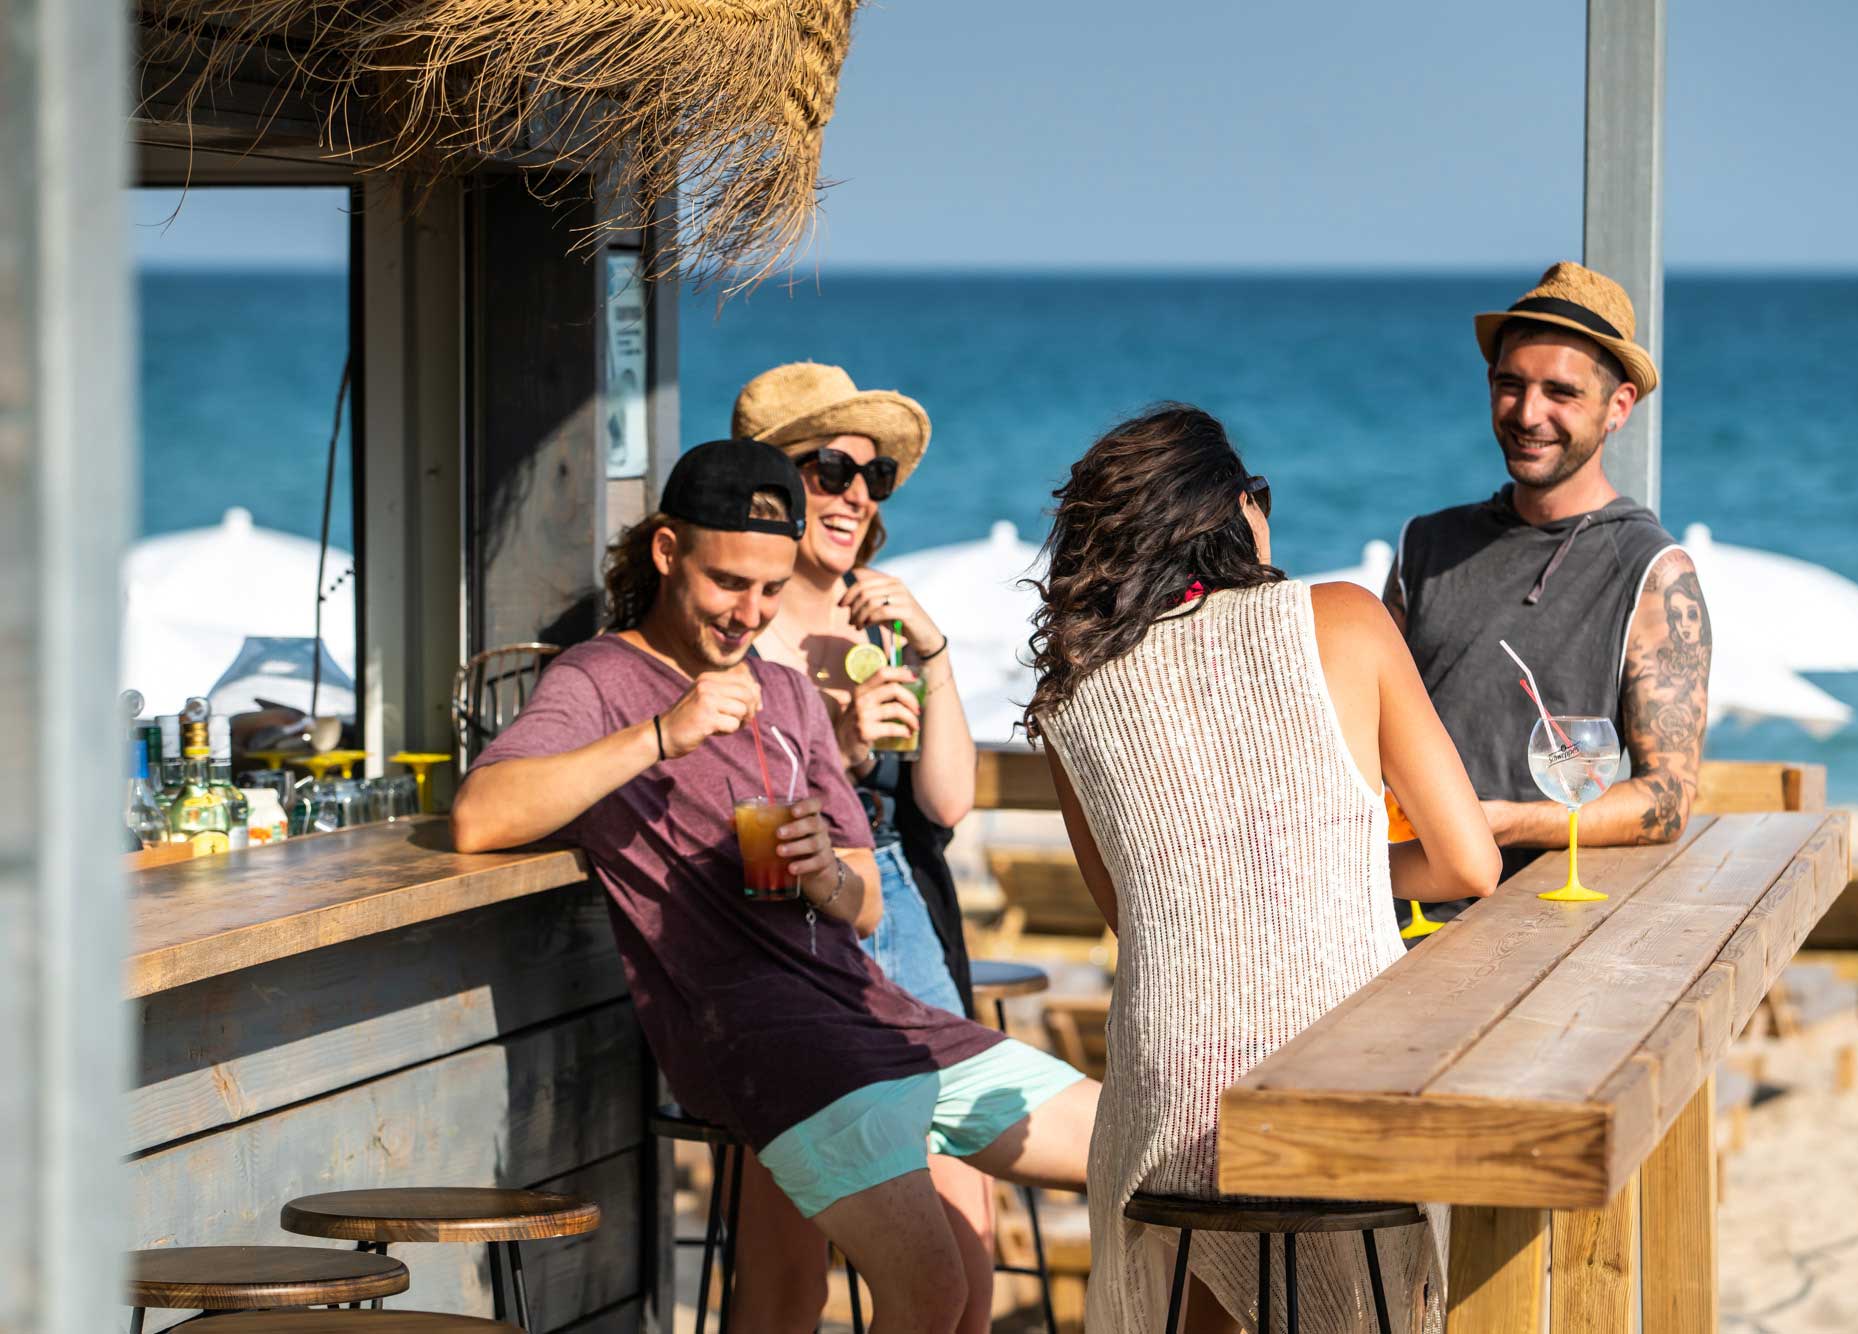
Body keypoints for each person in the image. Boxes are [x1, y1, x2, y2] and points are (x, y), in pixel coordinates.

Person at [452, 439, 1096, 1334]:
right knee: (934, 1289)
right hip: (761, 1040)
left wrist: (826, 872)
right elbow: (480, 815)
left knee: (1136, 1148)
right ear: (667, 552)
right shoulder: (600, 678)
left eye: (769, 586)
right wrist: (658, 737)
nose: (748, 612)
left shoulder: (789, 694)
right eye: (727, 583)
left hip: (874, 1013)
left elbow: (867, 899)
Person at [1027, 406, 1501, 1332]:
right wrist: (1339, 867)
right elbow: (1467, 862)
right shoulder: (1346, 619)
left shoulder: (1072, 696)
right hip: (1331, 1079)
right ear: (1239, 511)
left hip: (1169, 1092)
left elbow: (1135, 914)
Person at [730, 361, 1008, 1331]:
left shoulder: (878, 621)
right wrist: (840, 751)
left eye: (873, 476)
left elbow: (947, 797)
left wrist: (930, 653)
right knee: (786, 1280)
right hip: (794, 931)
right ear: (770, 486)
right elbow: (738, 822)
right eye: (828, 468)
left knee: (966, 1248)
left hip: (905, 915)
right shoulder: (741, 631)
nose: (854, 492)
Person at [1383, 261, 1714, 912]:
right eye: (1511, 385)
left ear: (1618, 407)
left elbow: (1666, 799)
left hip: (1531, 923)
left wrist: (1508, 821)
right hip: (1387, 904)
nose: (1528, 413)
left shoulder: (1654, 571)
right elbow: (1368, 727)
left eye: (1560, 393)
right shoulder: (1424, 545)